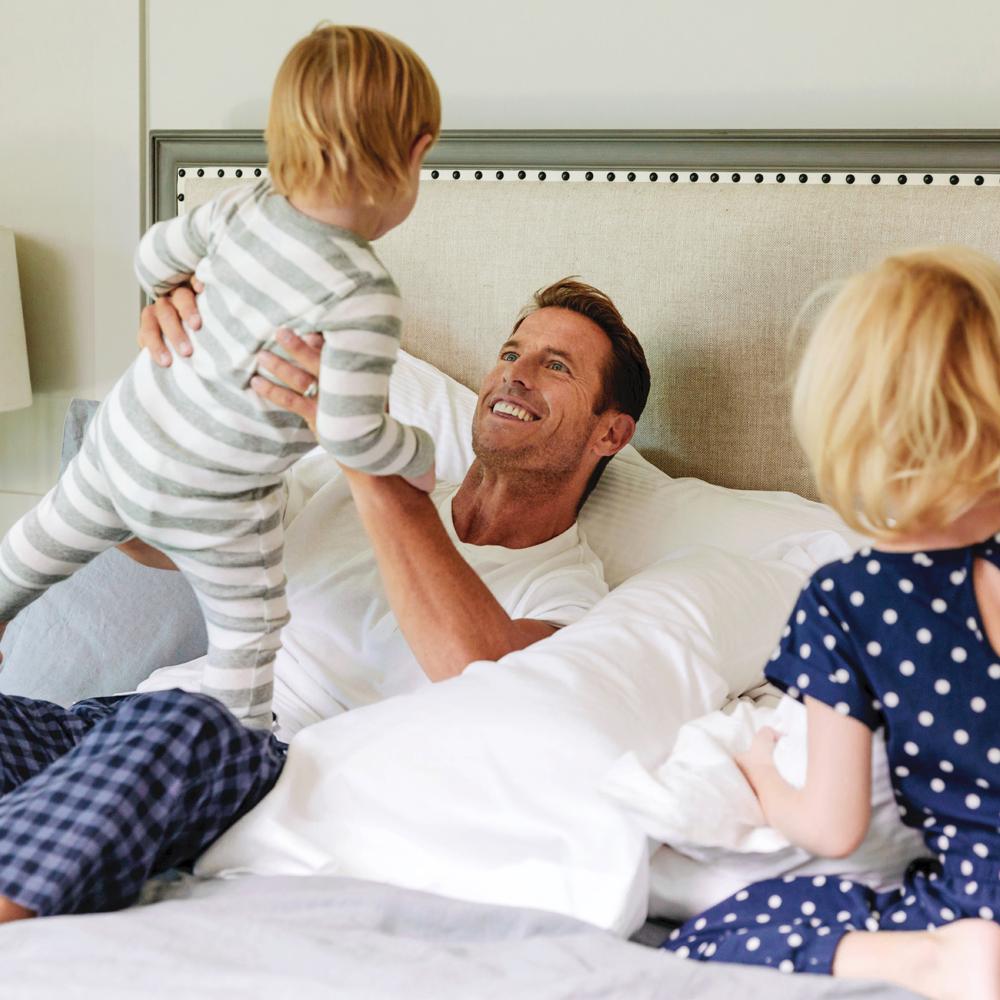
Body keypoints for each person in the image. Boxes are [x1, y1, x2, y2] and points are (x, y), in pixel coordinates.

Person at [0, 276, 650, 923]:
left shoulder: (571, 593)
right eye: (510, 353)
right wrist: (181, 381)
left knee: (193, 723)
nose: (515, 373)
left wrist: (365, 451)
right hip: (117, 729)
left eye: (554, 365)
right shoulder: (333, 484)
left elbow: (478, 670)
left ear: (610, 434)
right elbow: (161, 540)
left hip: (254, 766)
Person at [0, 24, 439, 731]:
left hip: (123, 441)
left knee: (37, 543)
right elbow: (353, 434)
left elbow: (152, 255)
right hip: (214, 500)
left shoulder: (243, 206)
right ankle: (234, 754)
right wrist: (417, 454)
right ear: (416, 153)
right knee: (252, 627)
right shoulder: (364, 293)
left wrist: (172, 291)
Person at [662, 247, 1000, 1000]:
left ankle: (939, 961)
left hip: (983, 904)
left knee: (719, 937)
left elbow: (833, 827)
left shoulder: (854, 599)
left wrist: (758, 769)